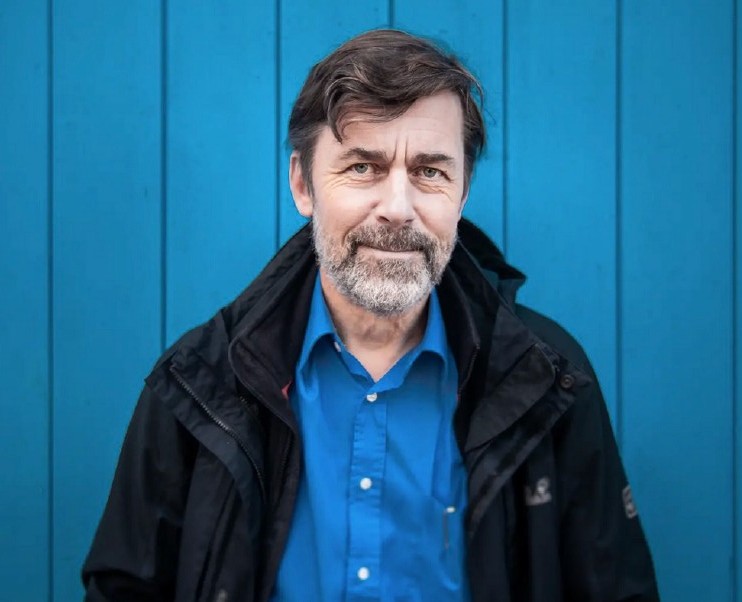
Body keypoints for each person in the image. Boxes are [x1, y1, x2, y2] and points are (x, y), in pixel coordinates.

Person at [83, 29, 659, 601]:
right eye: (363, 167)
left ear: (462, 194)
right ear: (303, 184)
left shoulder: (545, 376)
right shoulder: (201, 381)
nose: (398, 209)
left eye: (430, 172)